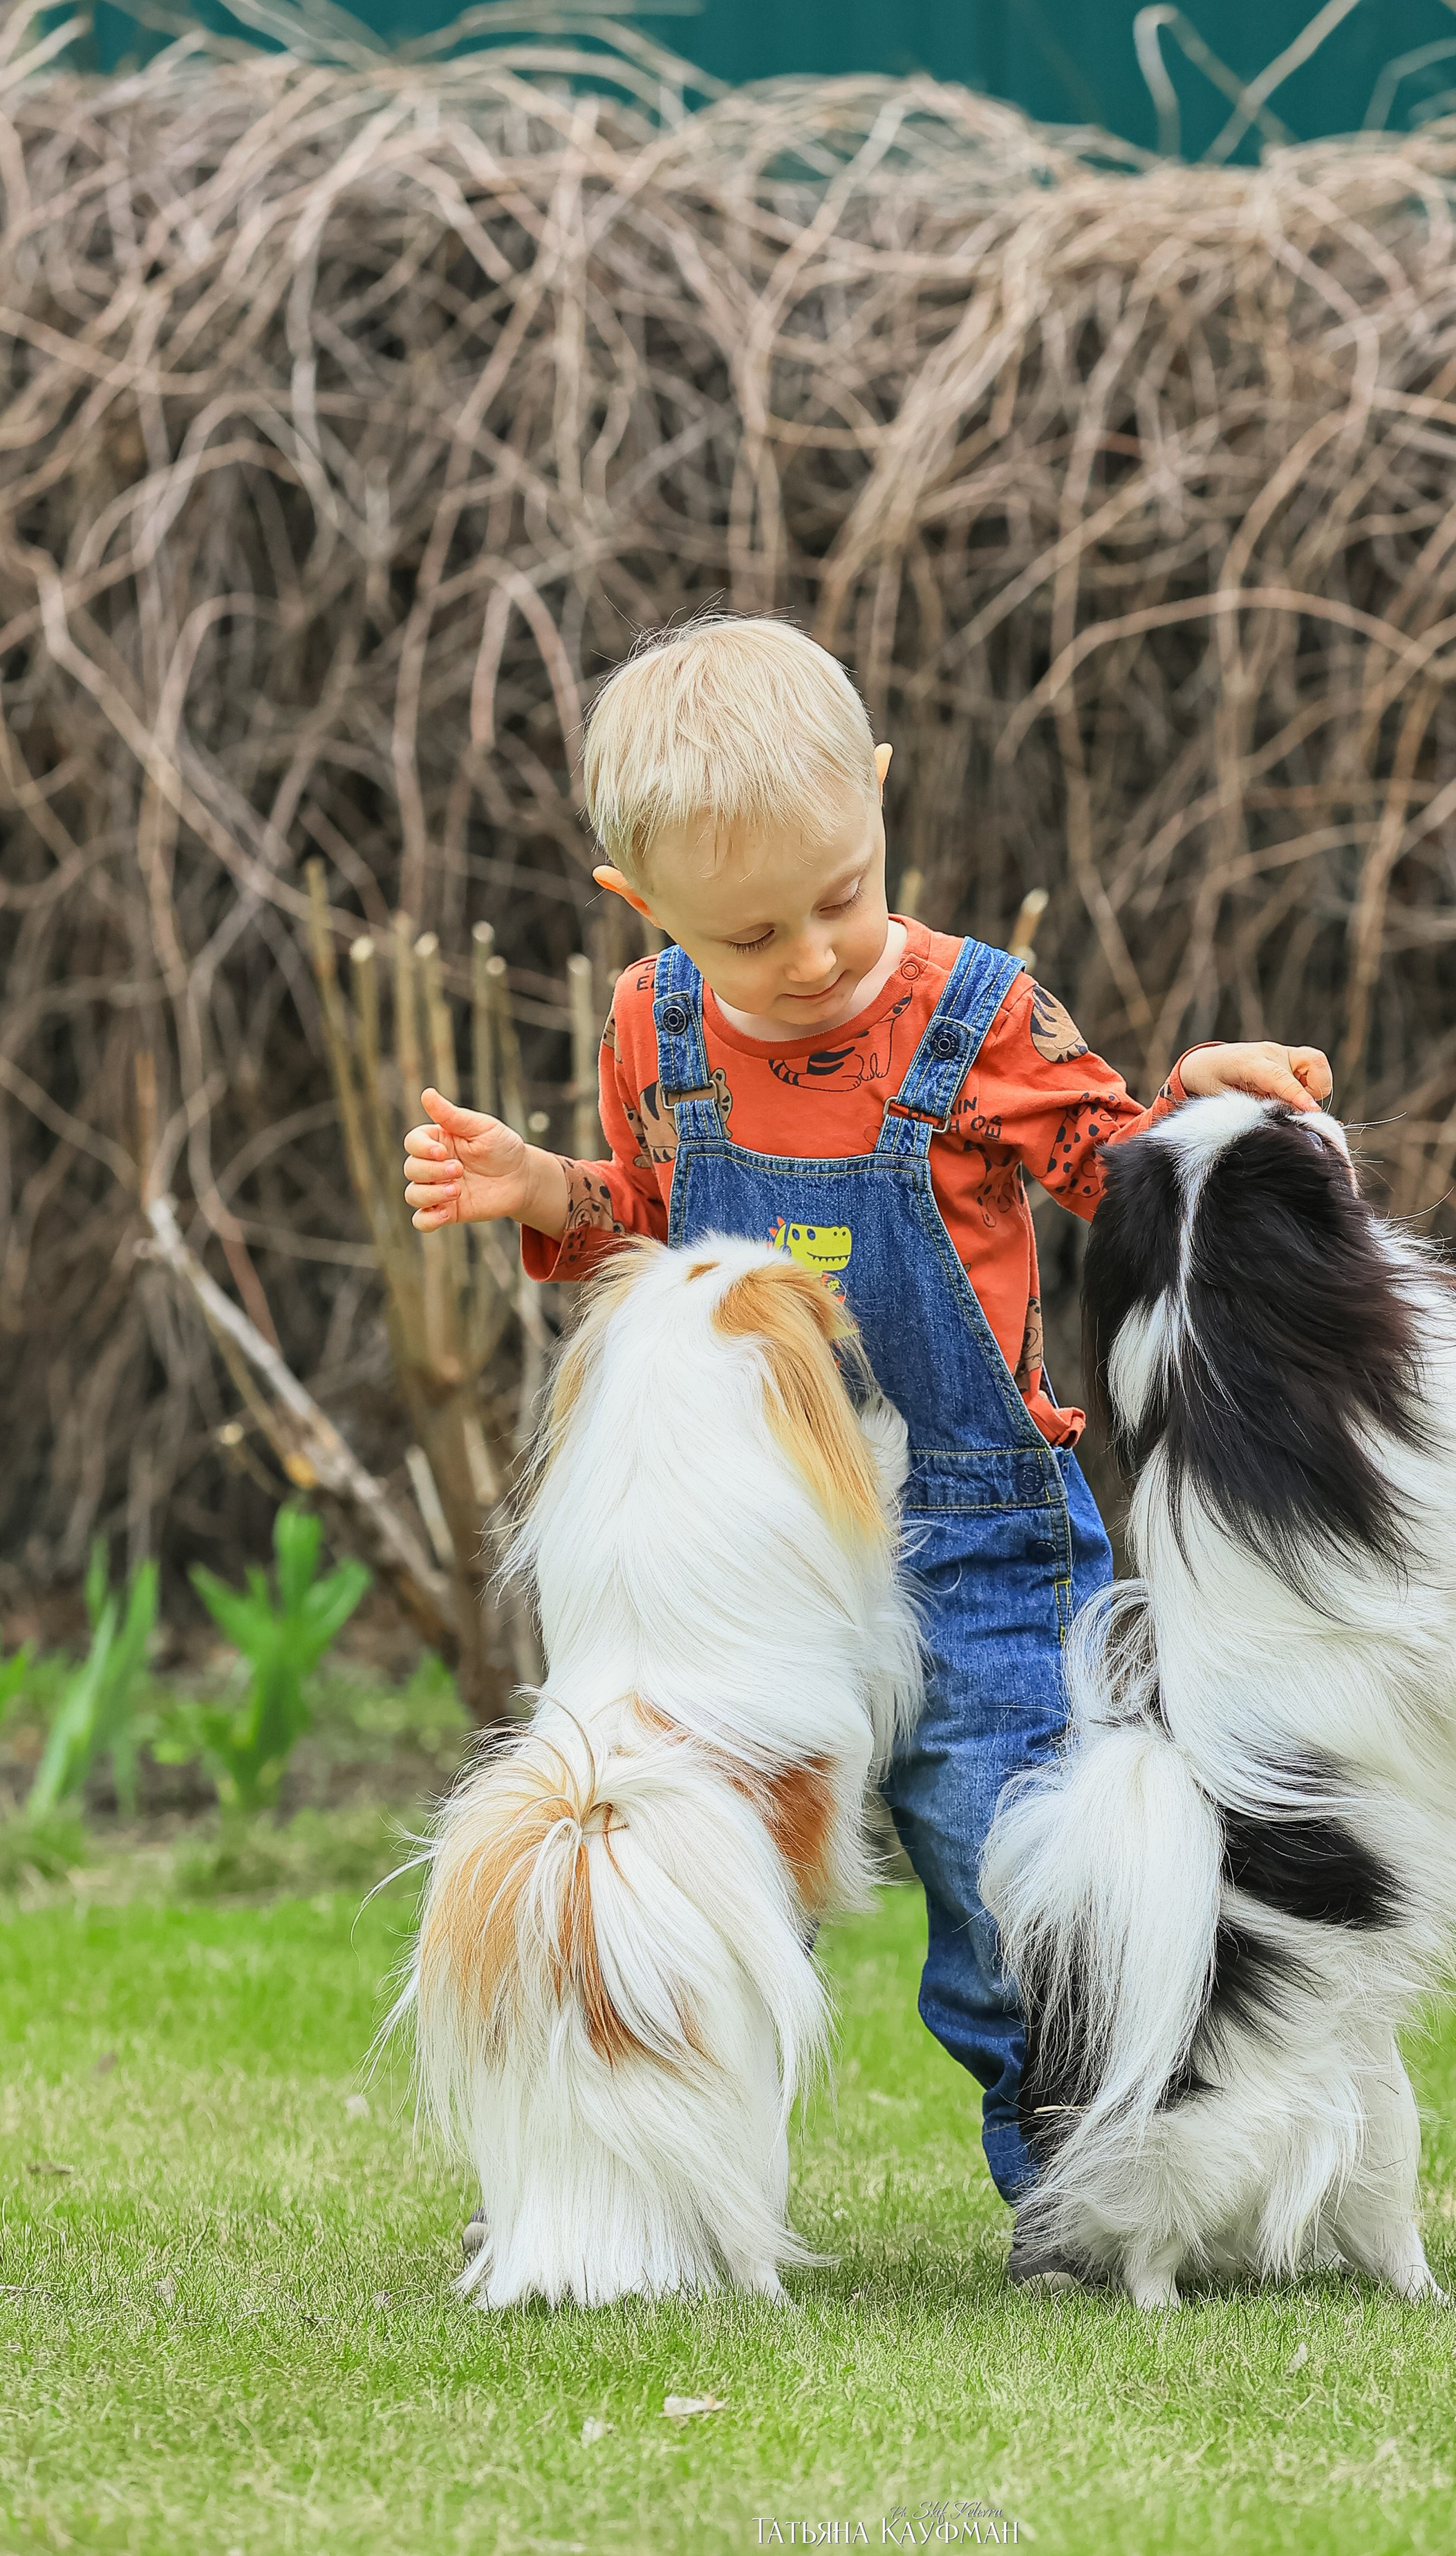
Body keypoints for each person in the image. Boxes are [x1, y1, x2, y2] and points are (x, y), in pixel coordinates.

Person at [403, 615, 1331, 2283]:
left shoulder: (972, 1013)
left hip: (976, 1540)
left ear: (878, 800)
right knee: (661, 1846)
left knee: (1014, 1868)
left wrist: (1201, 1103)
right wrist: (548, 1195)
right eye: (751, 932)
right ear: (649, 915)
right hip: (761, 1563)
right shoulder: (653, 1031)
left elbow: (1115, 1169)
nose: (816, 952)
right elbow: (650, 1229)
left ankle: (1082, 2182)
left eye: (842, 891)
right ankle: (606, 2148)